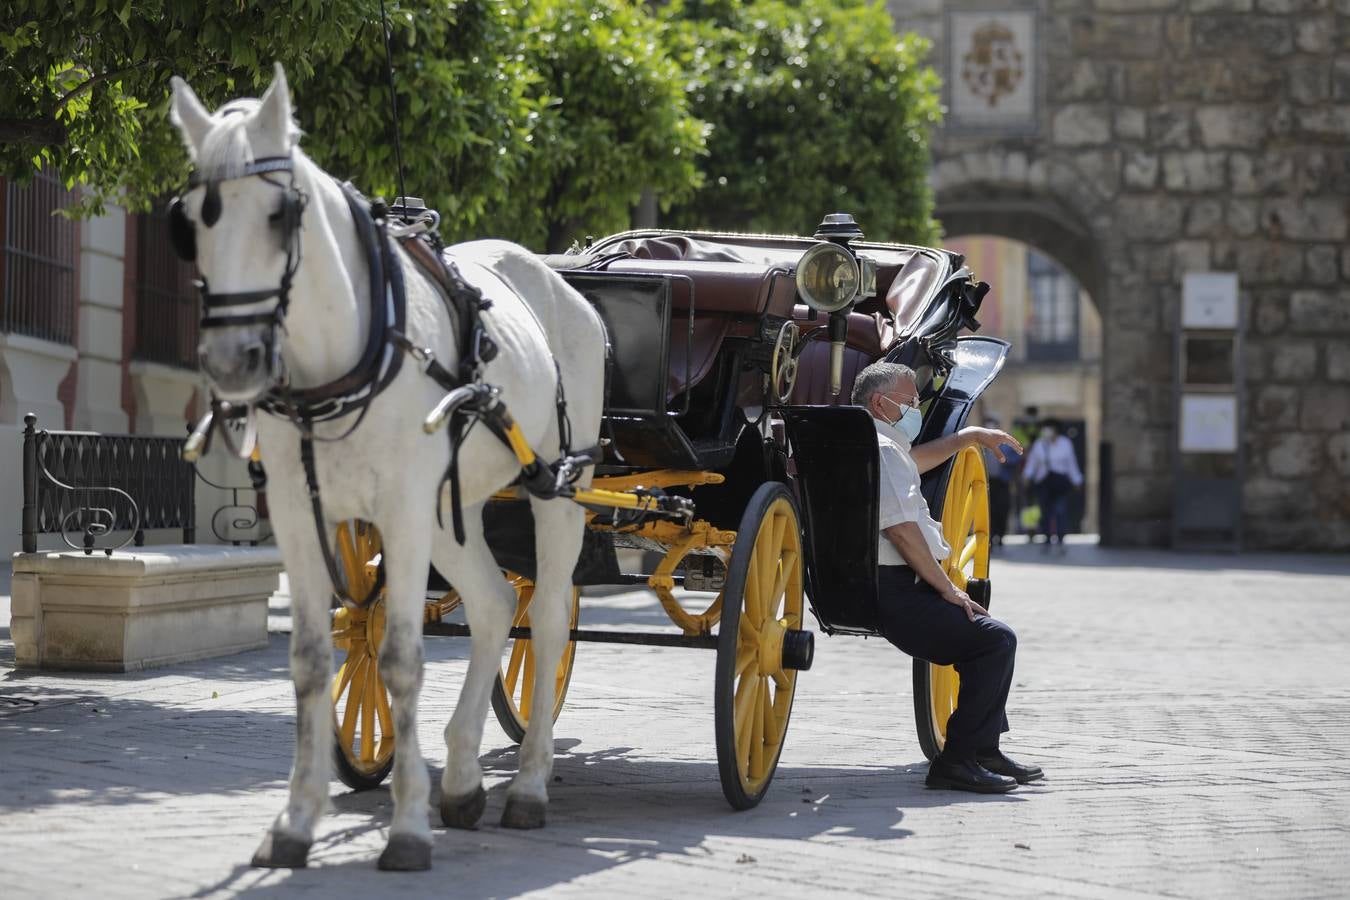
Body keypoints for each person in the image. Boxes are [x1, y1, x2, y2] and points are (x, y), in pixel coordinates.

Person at [852, 361, 1043, 793]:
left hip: (885, 585)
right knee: (995, 642)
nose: (916, 407)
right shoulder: (882, 450)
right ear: (881, 404)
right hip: (900, 591)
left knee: (991, 640)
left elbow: (914, 463)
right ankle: (957, 761)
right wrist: (948, 588)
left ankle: (983, 750)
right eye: (910, 401)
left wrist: (969, 437)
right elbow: (900, 529)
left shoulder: (879, 446)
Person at [1021, 417, 1083, 554]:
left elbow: (1071, 464)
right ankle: (1047, 540)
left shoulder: (1065, 444)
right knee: (1045, 513)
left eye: (1049, 428)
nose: (1047, 431)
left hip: (1059, 484)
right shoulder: (1039, 444)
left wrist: (1077, 480)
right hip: (1043, 483)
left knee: (1060, 511)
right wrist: (1027, 476)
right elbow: (1032, 463)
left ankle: (1060, 540)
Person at [980, 415, 1021, 547]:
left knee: (1002, 509)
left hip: (1002, 482)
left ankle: (1001, 536)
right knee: (988, 511)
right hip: (985, 482)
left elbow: (1016, 459)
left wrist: (1005, 461)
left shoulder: (1006, 446)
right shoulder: (979, 446)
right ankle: (990, 537)